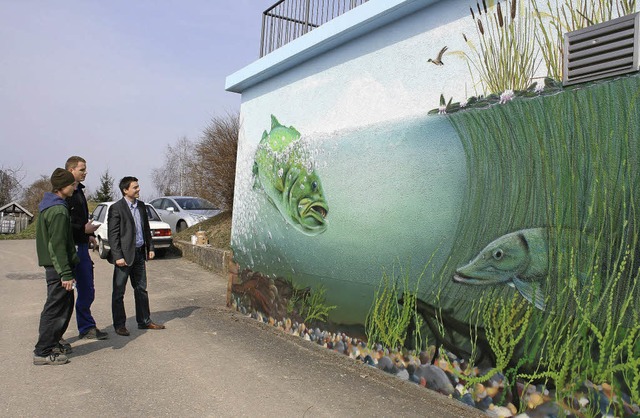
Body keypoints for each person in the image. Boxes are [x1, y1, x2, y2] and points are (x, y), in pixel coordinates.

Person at [108, 176, 165, 336]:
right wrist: (118, 255)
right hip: (124, 257)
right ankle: (119, 325)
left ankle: (144, 321)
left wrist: (150, 247)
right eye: (135, 187)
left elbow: (146, 228)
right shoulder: (116, 208)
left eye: (138, 186)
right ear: (126, 190)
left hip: (140, 254)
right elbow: (113, 235)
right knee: (119, 292)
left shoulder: (141, 206)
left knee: (141, 289)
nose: (138, 189)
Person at [33, 168, 80, 365]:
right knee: (55, 308)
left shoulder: (50, 205)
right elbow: (58, 245)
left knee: (64, 305)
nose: (74, 187)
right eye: (72, 185)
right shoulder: (59, 211)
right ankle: (43, 351)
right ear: (62, 187)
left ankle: (52, 343)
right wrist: (66, 274)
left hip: (56, 267)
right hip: (58, 268)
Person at [65, 156, 108, 340]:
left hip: (82, 246)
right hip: (68, 248)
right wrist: (83, 229)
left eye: (85, 169)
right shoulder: (63, 194)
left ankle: (87, 327)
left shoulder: (80, 191)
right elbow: (63, 223)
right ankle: (55, 335)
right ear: (71, 170)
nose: (85, 172)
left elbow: (78, 221)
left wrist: (88, 235)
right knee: (64, 295)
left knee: (87, 289)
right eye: (82, 169)